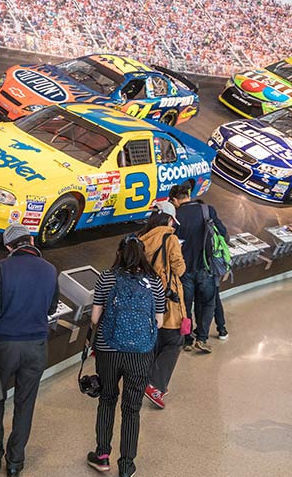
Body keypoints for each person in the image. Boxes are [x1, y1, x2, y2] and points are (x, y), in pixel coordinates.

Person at [0, 225, 59, 477]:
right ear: (32, 240)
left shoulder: (2, 268)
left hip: (4, 345)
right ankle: (15, 462)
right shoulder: (50, 270)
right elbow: (51, 308)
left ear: (8, 247)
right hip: (36, 346)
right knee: (26, 403)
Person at [87, 235, 166, 477]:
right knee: (132, 409)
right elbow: (159, 322)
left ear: (119, 253)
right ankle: (126, 466)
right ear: (144, 254)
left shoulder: (107, 277)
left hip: (109, 350)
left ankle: (102, 456)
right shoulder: (154, 282)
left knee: (107, 400)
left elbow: (94, 318)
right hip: (140, 354)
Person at [170, 180, 228, 353]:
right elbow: (223, 232)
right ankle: (201, 338)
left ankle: (187, 339)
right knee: (208, 303)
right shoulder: (207, 210)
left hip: (185, 271)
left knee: (185, 305)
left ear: (175, 200)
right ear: (189, 196)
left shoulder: (175, 217)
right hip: (206, 268)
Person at [139, 201, 186, 409]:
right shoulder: (170, 238)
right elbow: (180, 269)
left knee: (155, 341)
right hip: (168, 301)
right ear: (168, 219)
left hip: (147, 298)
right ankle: (155, 385)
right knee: (174, 342)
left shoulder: (141, 239)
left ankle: (143, 379)